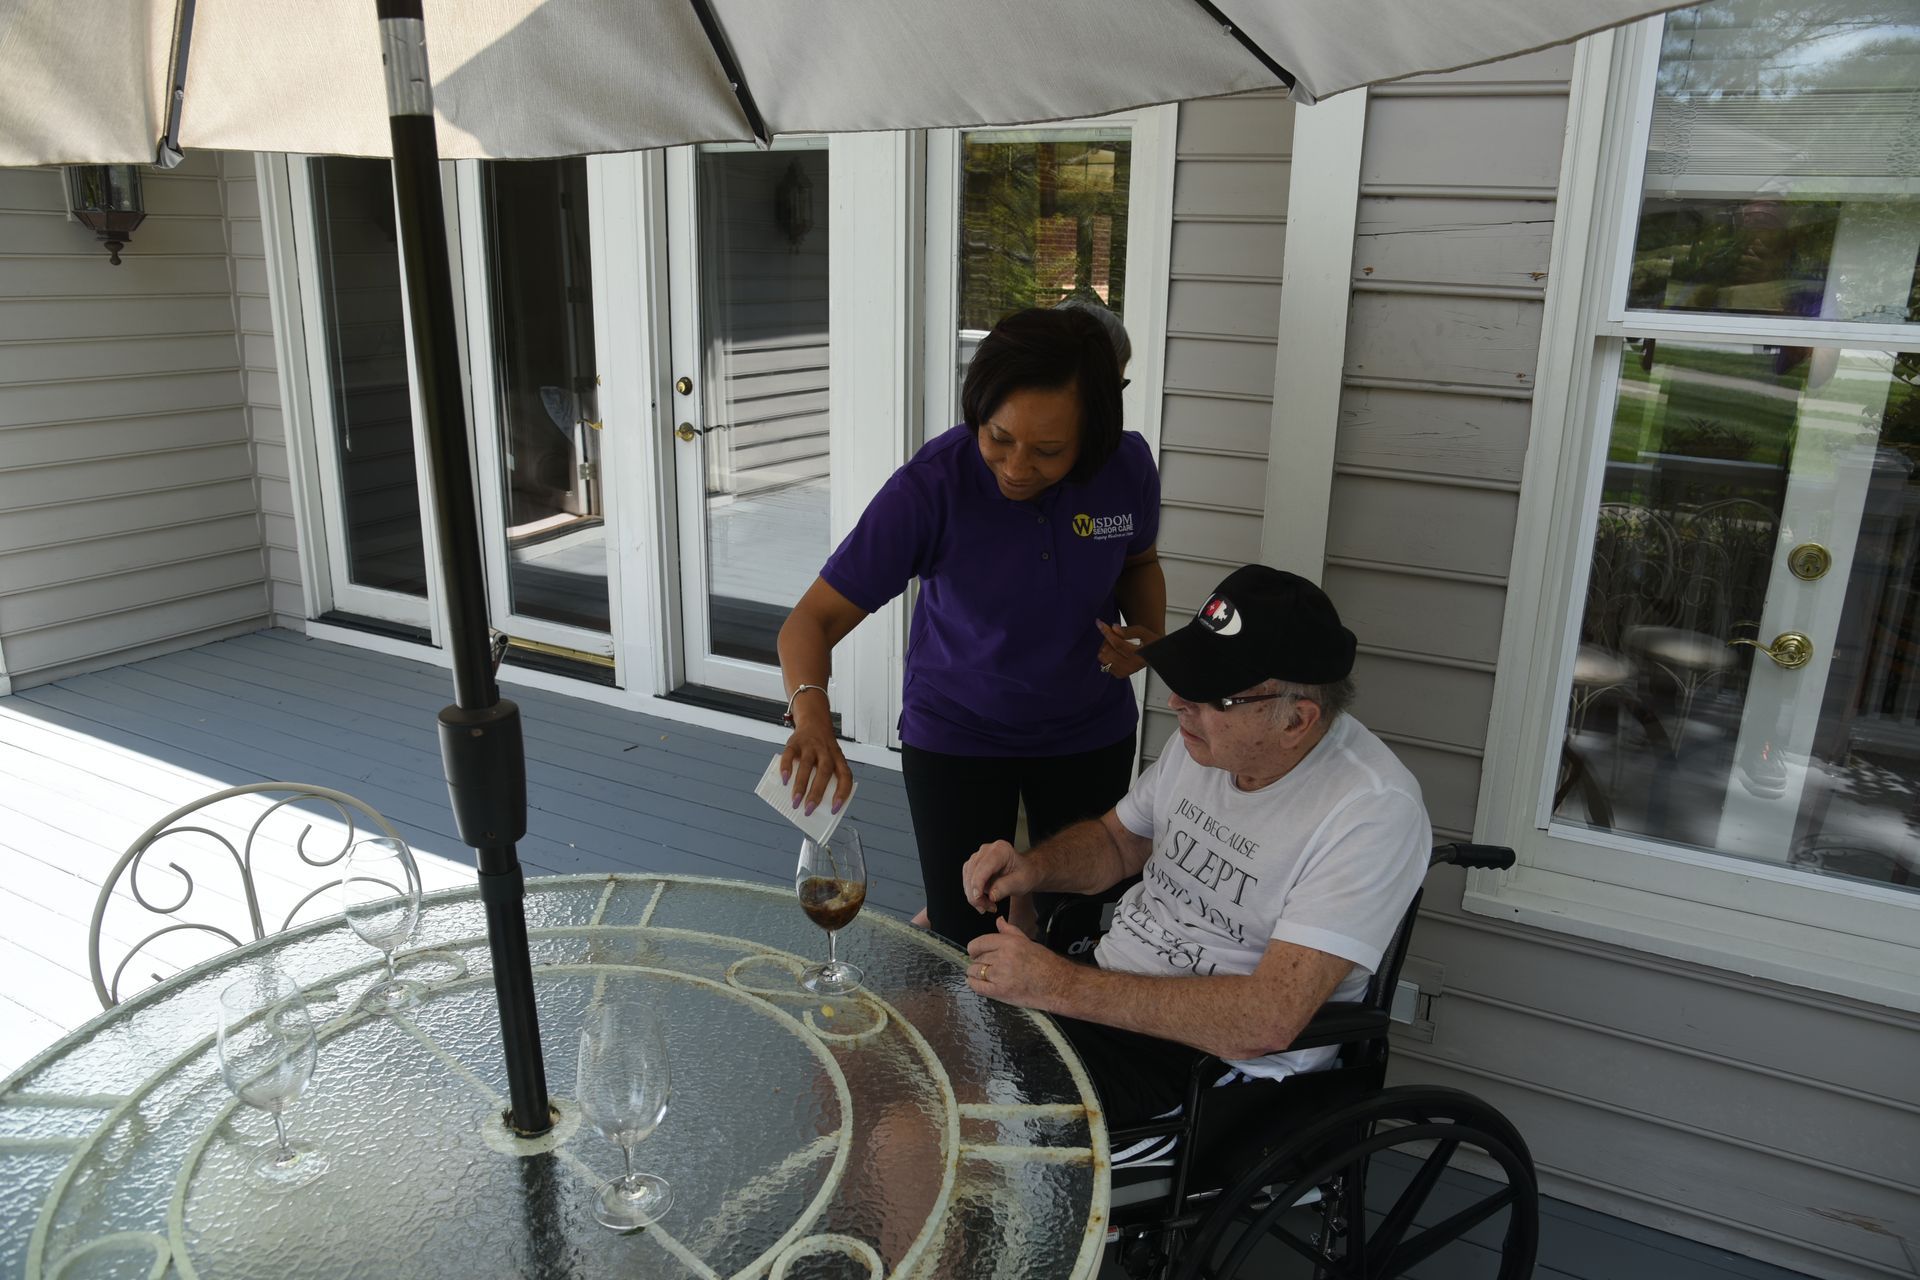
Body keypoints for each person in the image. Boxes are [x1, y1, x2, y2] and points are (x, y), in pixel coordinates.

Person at [957, 565, 1431, 1136]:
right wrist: (1033, 868)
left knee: (940, 1130)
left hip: (1208, 1068)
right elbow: (1116, 840)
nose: (1179, 701)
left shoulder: (1372, 812)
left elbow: (1266, 1020)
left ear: (1297, 720)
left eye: (1212, 695)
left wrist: (1056, 984)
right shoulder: (1207, 744)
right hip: (1100, 996)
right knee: (890, 1054)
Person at [777, 304, 1165, 947]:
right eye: (998, 437)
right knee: (966, 927)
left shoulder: (1125, 468)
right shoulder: (933, 486)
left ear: (1094, 431)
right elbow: (809, 621)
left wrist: (1147, 637)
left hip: (1087, 730)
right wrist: (813, 717)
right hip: (958, 734)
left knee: (1080, 921)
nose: (1016, 467)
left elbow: (1140, 562)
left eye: (1048, 451)